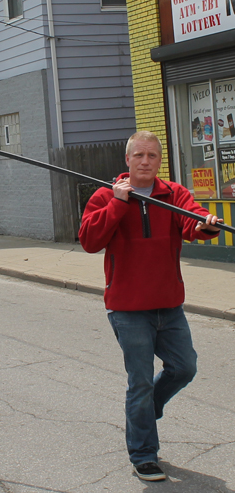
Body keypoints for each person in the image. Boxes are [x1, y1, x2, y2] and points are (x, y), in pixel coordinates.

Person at [78, 131, 223, 482]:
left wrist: (205, 223)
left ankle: (146, 410)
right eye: (139, 155)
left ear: (160, 161)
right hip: (128, 309)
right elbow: (89, 240)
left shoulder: (172, 194)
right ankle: (144, 454)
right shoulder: (104, 195)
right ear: (127, 160)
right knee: (139, 382)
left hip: (168, 304)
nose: (145, 161)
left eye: (152, 156)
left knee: (184, 367)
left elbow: (192, 218)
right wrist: (117, 203)